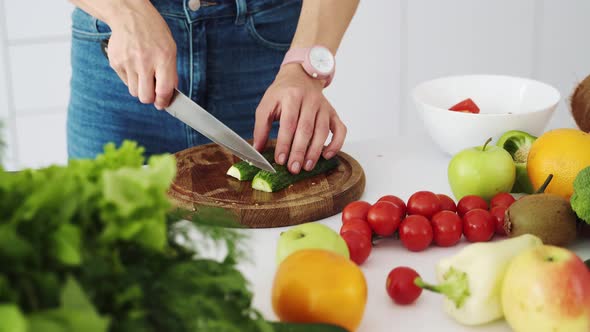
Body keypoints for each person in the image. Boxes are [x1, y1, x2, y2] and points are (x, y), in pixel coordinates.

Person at [67, 0, 359, 174]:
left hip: (272, 46)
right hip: (123, 48)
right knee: (102, 251)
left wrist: (305, 66)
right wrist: (126, 12)